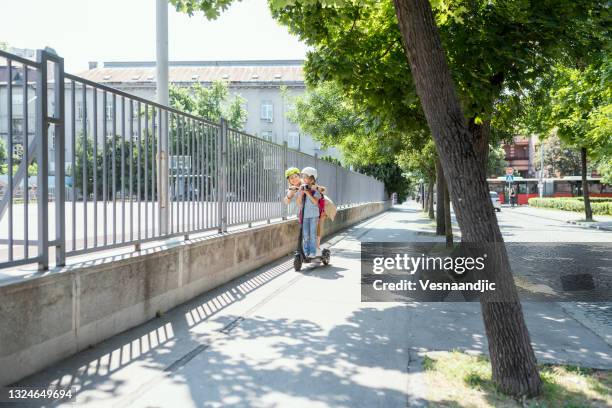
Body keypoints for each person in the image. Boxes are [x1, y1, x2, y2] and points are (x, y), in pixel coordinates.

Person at [284, 166, 327, 255]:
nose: (294, 179)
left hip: (318, 206)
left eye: (296, 176)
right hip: (305, 210)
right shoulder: (292, 188)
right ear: (289, 180)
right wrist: (290, 194)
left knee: (318, 225)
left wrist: (311, 188)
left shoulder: (305, 181)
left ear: (299, 176)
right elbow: (286, 201)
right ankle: (308, 251)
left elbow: (322, 190)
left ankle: (316, 248)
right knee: (306, 232)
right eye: (291, 178)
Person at [296, 167, 322, 260]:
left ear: (312, 178)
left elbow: (315, 202)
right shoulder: (302, 189)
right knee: (305, 234)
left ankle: (312, 252)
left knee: (312, 234)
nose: (304, 179)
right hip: (305, 216)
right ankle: (306, 252)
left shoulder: (315, 190)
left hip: (314, 216)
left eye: (306, 177)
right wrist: (301, 193)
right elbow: (298, 203)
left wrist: (307, 193)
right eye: (303, 177)